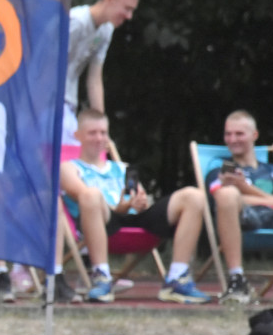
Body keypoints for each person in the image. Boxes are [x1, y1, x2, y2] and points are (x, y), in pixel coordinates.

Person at [61, 109, 211, 304]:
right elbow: (81, 196)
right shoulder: (69, 167)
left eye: (103, 133)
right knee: (91, 194)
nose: (99, 138)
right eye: (92, 133)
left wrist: (139, 203)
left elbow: (140, 200)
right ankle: (101, 276)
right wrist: (119, 208)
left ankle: (177, 278)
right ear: (77, 136)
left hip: (136, 221)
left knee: (194, 196)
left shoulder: (122, 168)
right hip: (102, 222)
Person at [204, 110, 273, 303]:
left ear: (254, 135)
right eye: (228, 134)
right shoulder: (223, 168)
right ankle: (237, 280)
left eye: (239, 133)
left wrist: (245, 189)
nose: (232, 139)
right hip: (245, 219)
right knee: (228, 194)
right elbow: (223, 198)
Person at [61, 0, 140, 146]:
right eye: (127, 8)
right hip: (47, 105)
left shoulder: (106, 30)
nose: (129, 16)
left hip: (67, 104)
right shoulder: (77, 22)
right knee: (68, 157)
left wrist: (102, 129)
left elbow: (94, 79)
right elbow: (45, 65)